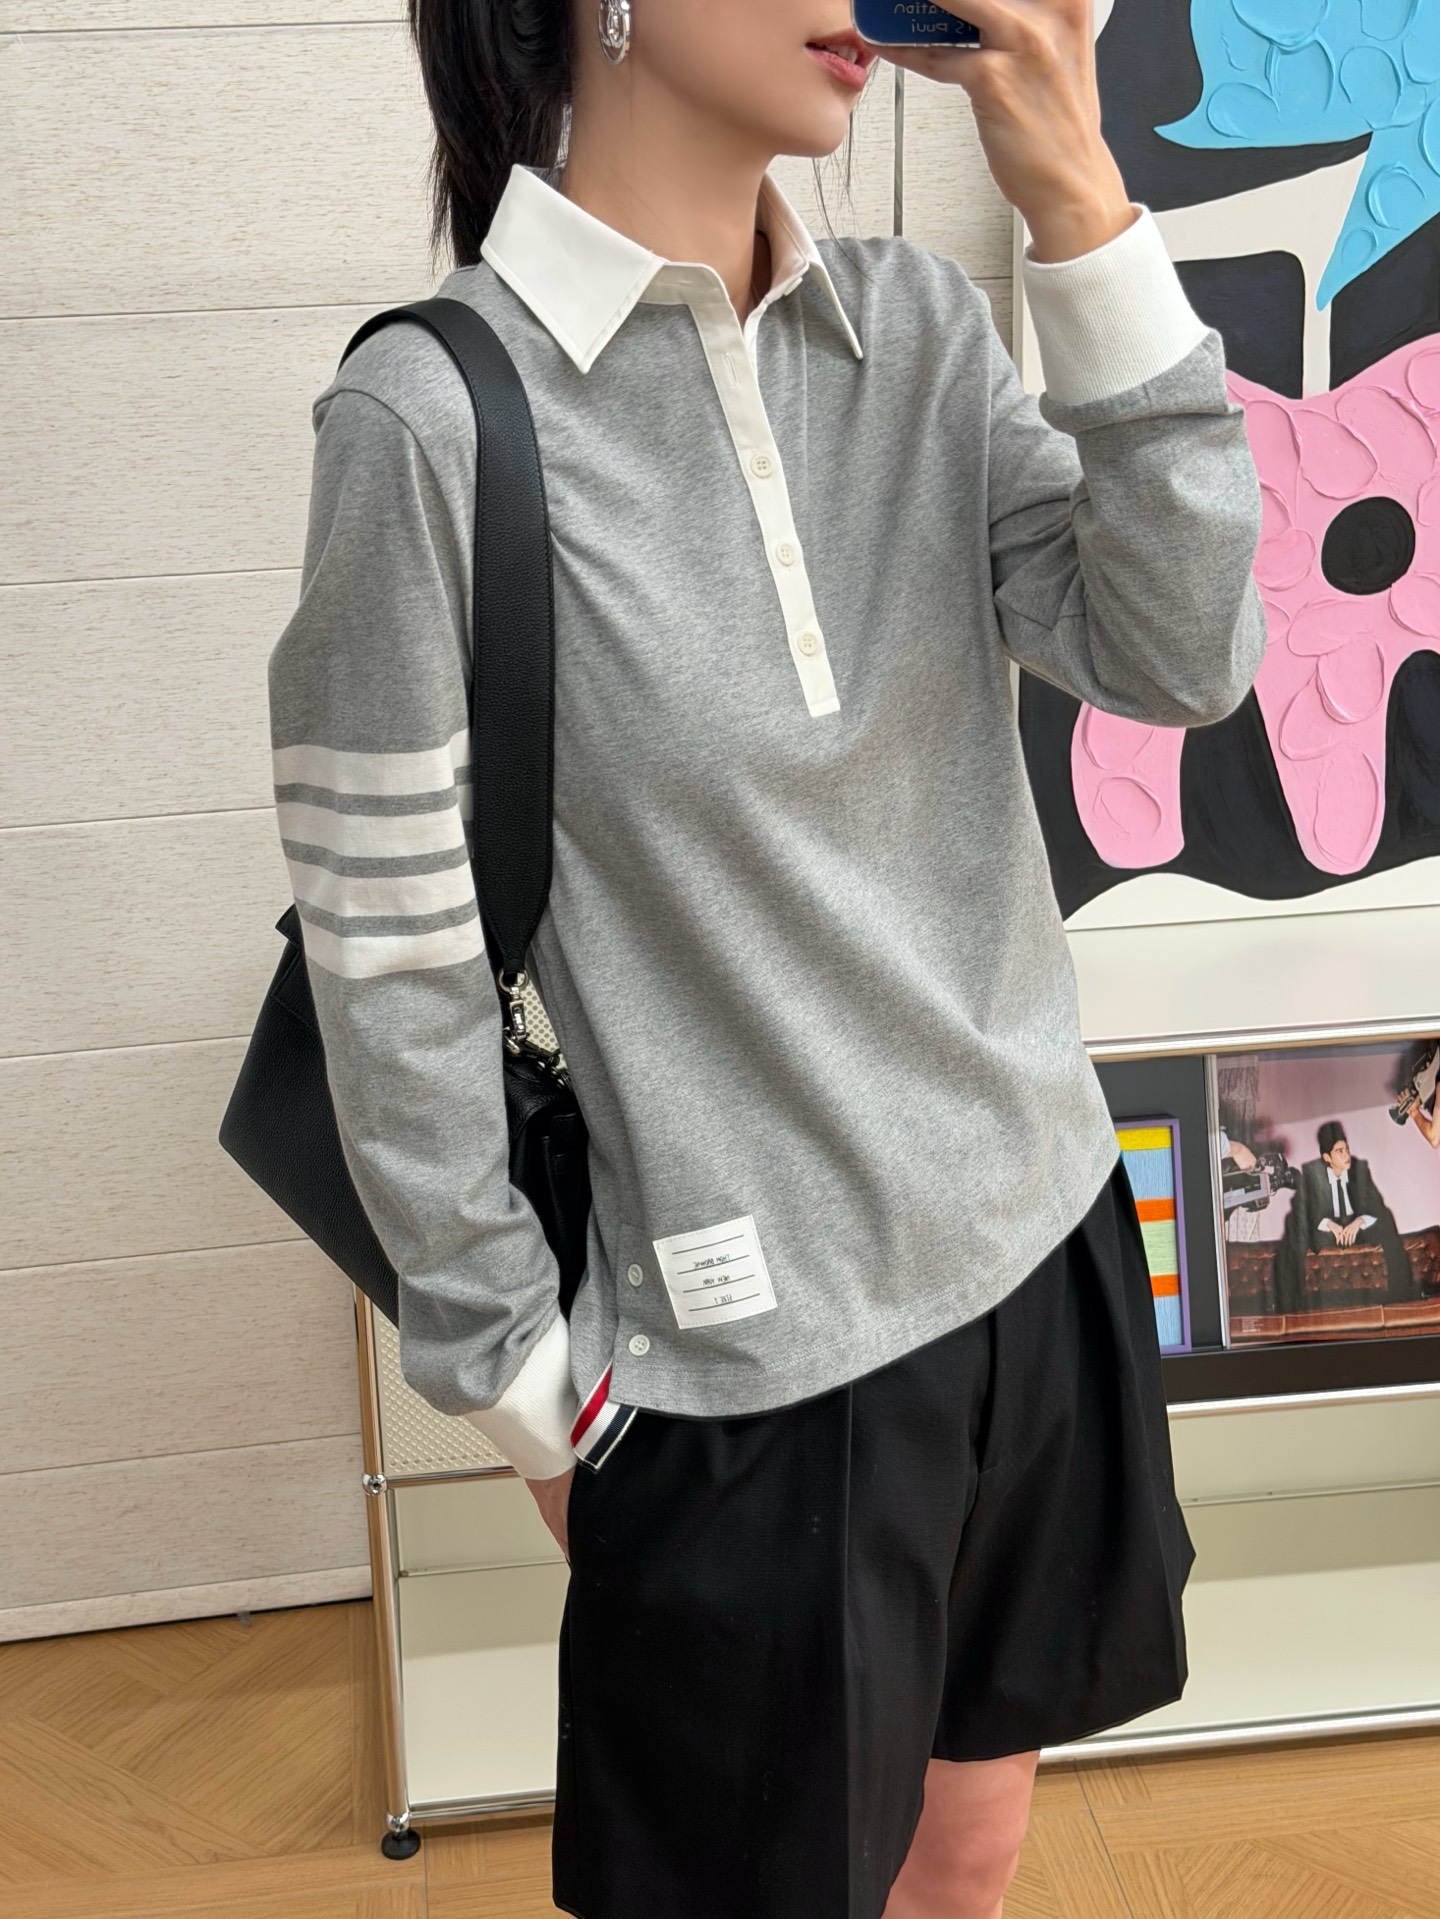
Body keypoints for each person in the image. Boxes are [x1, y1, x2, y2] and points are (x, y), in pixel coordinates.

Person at [265, 1, 1265, 1913]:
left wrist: (1078, 196)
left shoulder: (916, 329)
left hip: (1041, 1238)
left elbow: (1184, 648)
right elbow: (385, 943)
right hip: (748, 1357)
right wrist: (520, 1380)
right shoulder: (429, 419)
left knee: (966, 1856)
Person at [1274, 1120, 1412, 1313]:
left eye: (1347, 1149)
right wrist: (1330, 1224)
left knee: (1387, 1219)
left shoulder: (1359, 1169)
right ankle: (1289, 1307)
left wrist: (1358, 1222)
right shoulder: (1312, 1174)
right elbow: (1303, 1214)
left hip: (1358, 1231)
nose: (1346, 1155)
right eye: (1339, 1151)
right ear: (1327, 1157)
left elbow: (1378, 1208)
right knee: (1293, 1230)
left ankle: (1403, 1298)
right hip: (1327, 1233)